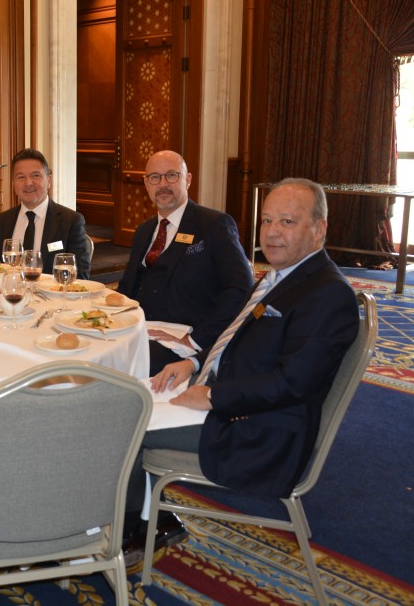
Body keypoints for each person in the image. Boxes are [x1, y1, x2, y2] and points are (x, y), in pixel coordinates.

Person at [122, 178, 360, 566]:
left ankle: (130, 532)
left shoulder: (327, 294)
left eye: (287, 222)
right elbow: (239, 340)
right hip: (231, 399)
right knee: (128, 397)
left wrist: (212, 396)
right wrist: (193, 363)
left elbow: (293, 383)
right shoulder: (285, 275)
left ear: (319, 229)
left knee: (125, 425)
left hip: (257, 429)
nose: (272, 232)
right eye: (267, 221)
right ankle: (151, 518)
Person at [117, 150, 254, 376]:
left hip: (183, 336)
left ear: (188, 179)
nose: (163, 184)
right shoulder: (144, 230)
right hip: (140, 328)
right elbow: (128, 285)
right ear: (146, 184)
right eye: (155, 177)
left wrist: (195, 339)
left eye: (172, 175)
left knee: (126, 367)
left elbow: (241, 288)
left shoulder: (214, 225)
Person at [0, 148, 91, 277]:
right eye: (21, 177)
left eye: (35, 175)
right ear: (13, 184)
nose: (28, 183)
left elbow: (80, 277)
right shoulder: (2, 221)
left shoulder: (71, 221)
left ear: (49, 180)